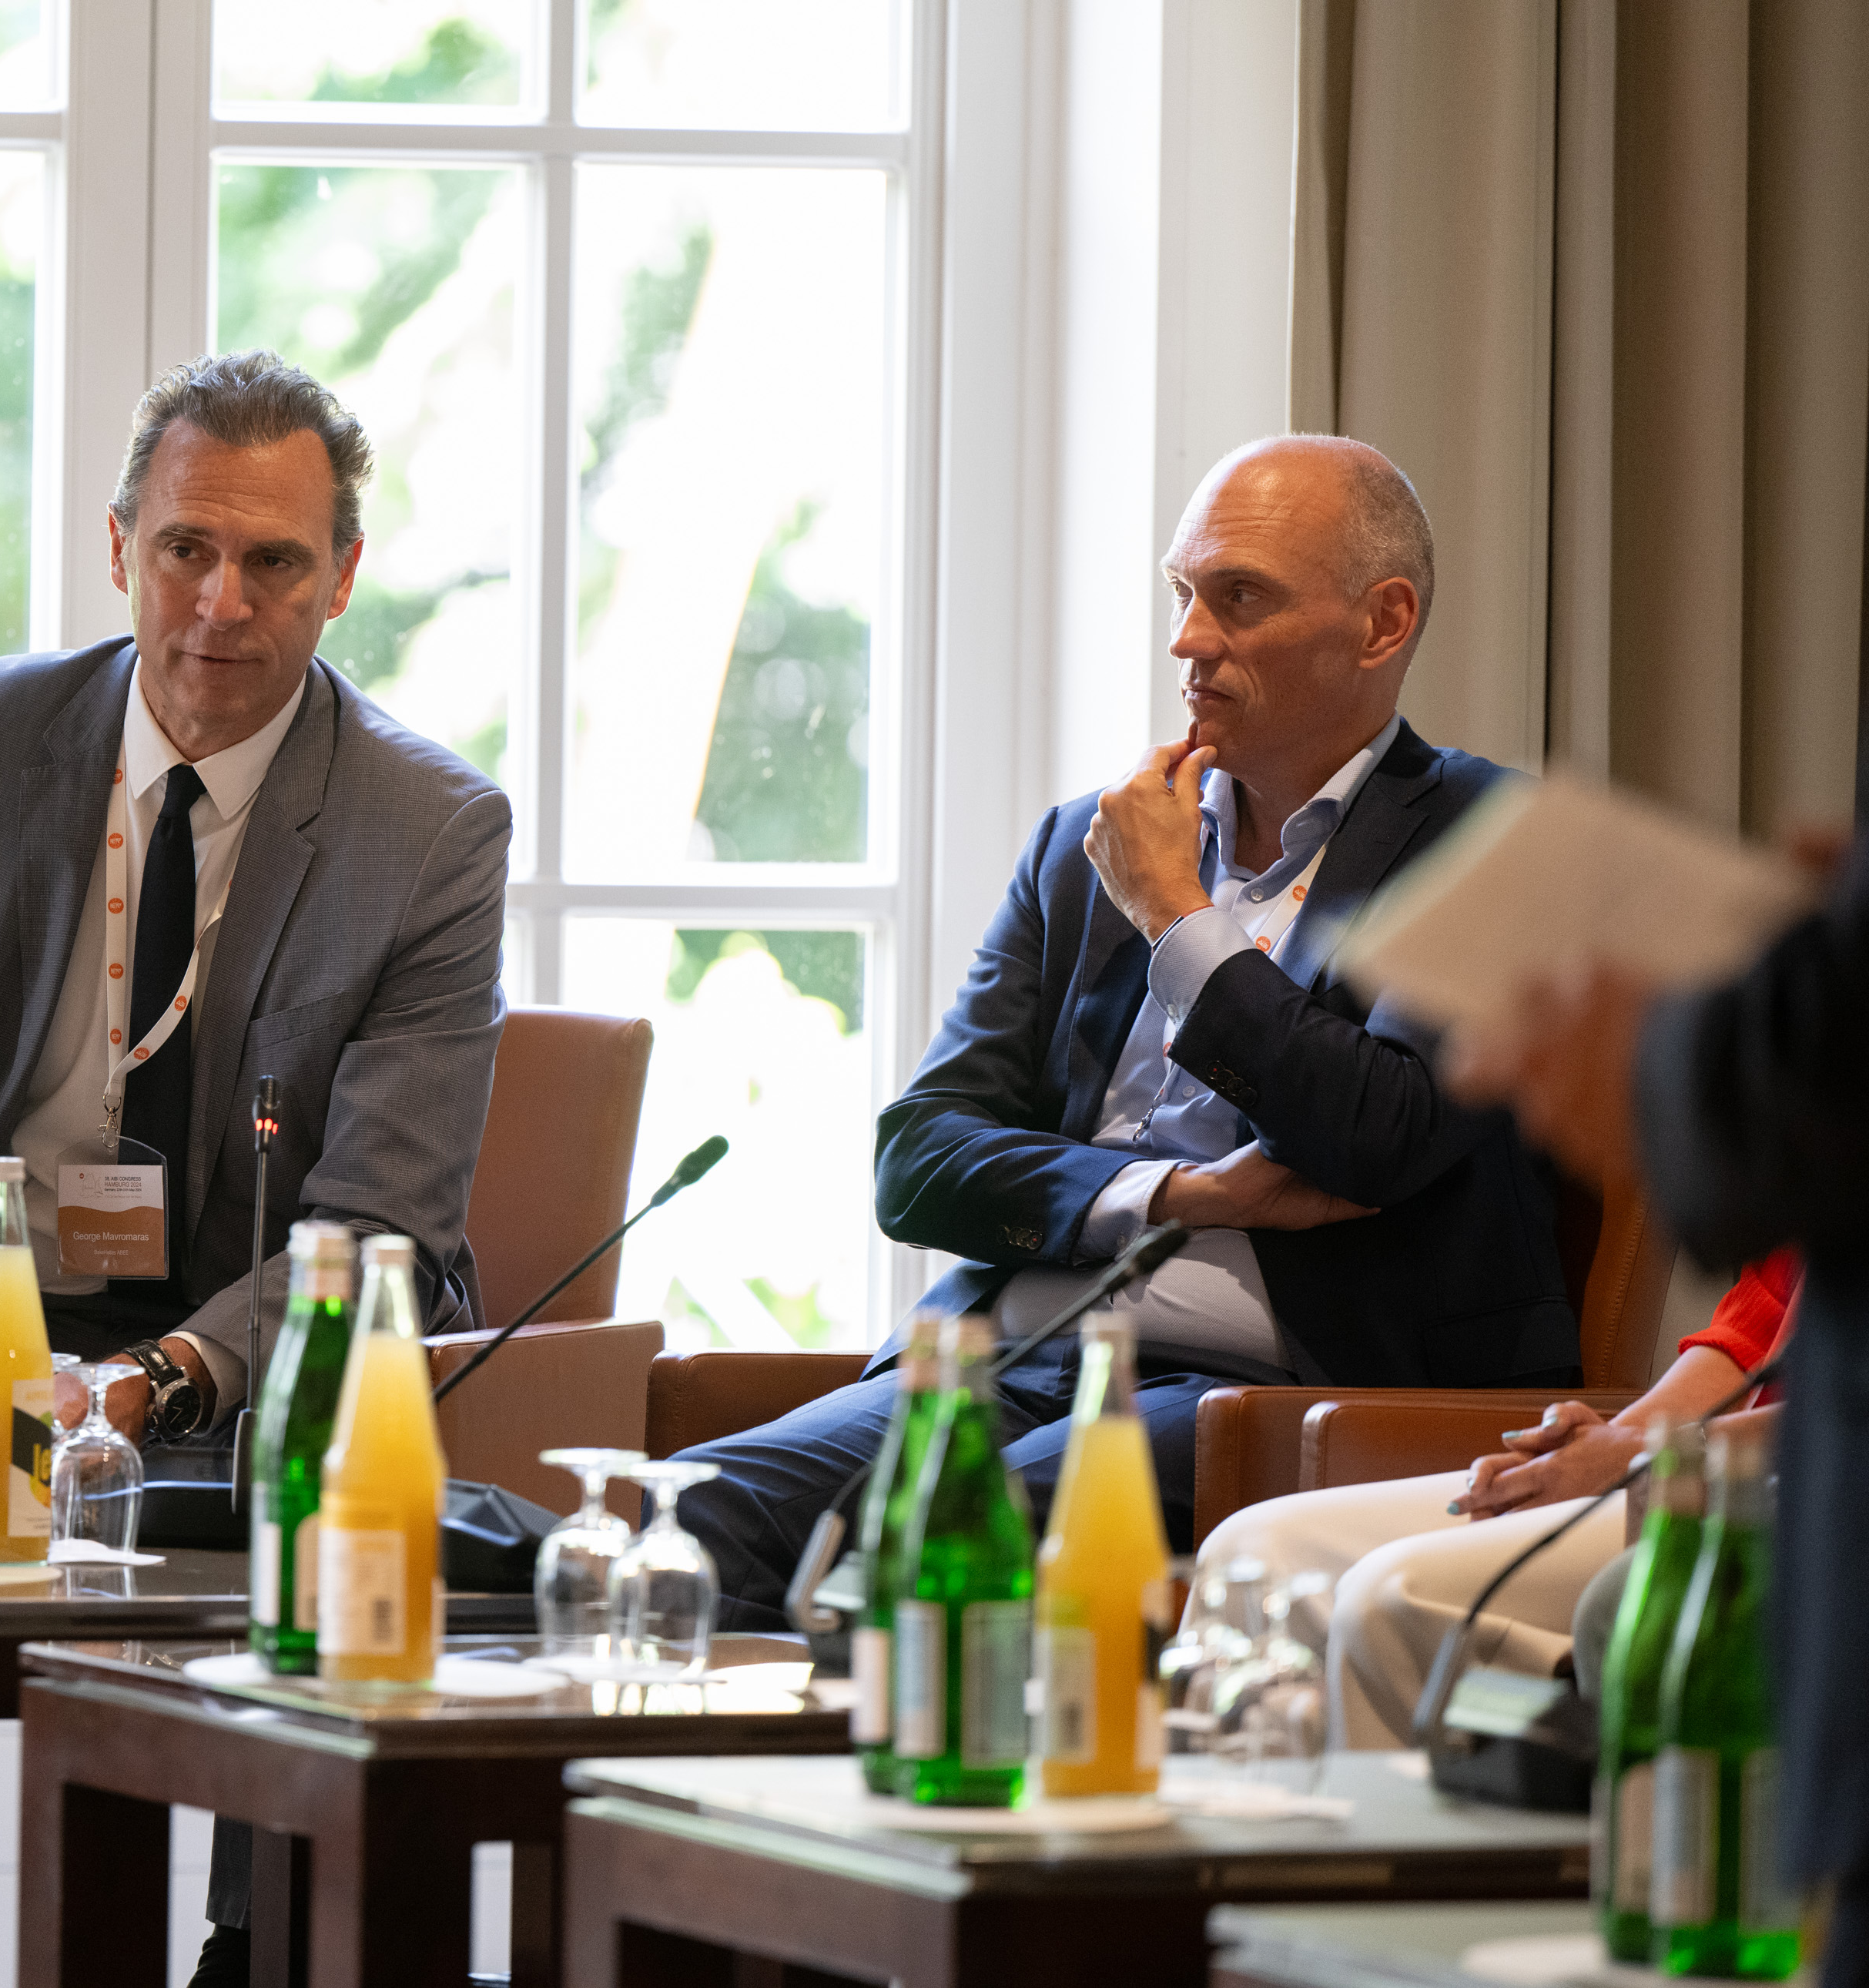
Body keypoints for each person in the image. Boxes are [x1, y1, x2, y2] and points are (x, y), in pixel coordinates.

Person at [0, 350, 512, 1988]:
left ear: (342, 578)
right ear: (120, 543)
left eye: (274, 561)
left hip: (244, 1343)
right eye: (186, 547)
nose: (222, 602)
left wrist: (150, 1379)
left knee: (327, 1452)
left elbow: (382, 1228)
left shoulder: (427, 827)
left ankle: (256, 1958)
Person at [677, 433, 1581, 1628]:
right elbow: (918, 1157)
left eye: (1239, 598)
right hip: (1011, 1349)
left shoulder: (1492, 837)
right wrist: (1177, 1195)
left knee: (945, 1537)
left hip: (1279, 1382)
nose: (1187, 640)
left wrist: (1177, 918)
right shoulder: (1085, 844)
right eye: (1181, 593)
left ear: (1382, 623)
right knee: (683, 1521)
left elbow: (1377, 1131)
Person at [1450, 835, 1866, 1979]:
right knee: (1289, 1550)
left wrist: (1660, 1045)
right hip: (1728, 1454)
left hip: (1775, 1473)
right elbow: (1753, 1314)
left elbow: (1803, 1066)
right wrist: (1630, 1433)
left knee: (1477, 1598)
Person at [1185, 1249, 1795, 1745]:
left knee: (1396, 1593)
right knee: (1254, 1549)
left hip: (1787, 1492)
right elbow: (1751, 1328)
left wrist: (1658, 1451)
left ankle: (1415, 1861)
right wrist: (1606, 1445)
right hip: (1689, 1456)